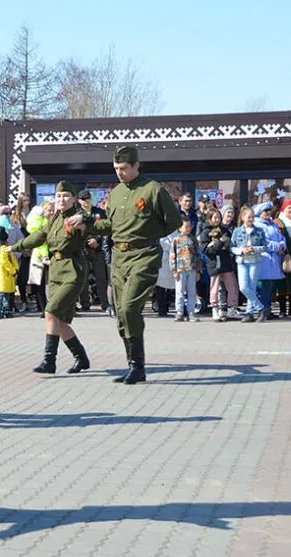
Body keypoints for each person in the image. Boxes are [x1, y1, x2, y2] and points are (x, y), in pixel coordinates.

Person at [66, 146, 182, 384]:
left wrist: (149, 233)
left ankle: (138, 365)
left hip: (144, 255)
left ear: (136, 165)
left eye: (124, 168)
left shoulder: (153, 190)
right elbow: (109, 226)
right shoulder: (116, 193)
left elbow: (174, 221)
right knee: (120, 312)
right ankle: (134, 366)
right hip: (119, 259)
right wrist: (85, 223)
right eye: (116, 168)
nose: (120, 173)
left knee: (129, 307)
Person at [9, 181, 92, 374]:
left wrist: (83, 220)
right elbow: (38, 236)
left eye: (65, 196)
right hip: (55, 271)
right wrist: (14, 247)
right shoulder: (54, 219)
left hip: (73, 270)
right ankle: (81, 357)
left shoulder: (78, 217)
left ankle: (49, 361)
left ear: (73, 199)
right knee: (59, 320)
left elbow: (90, 223)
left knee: (51, 312)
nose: (61, 199)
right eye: (58, 196)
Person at [230, 205, 268, 322]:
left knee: (251, 287)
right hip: (242, 262)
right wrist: (241, 251)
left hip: (255, 262)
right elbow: (232, 247)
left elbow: (265, 247)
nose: (251, 219)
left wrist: (254, 249)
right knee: (243, 287)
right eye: (249, 217)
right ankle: (262, 308)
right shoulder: (237, 231)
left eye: (252, 217)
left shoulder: (259, 231)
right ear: (242, 217)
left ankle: (249, 313)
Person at [76, 189, 111, 314]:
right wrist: (87, 241)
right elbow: (75, 232)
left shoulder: (100, 212)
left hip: (98, 249)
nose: (87, 201)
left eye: (88, 198)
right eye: (84, 199)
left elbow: (106, 229)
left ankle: (105, 303)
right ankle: (85, 303)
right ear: (79, 201)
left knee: (101, 277)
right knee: (83, 277)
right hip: (83, 249)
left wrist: (97, 241)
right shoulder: (77, 214)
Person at [200, 208, 238, 321]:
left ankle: (232, 309)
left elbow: (228, 245)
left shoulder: (225, 230)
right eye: (215, 217)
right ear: (210, 219)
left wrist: (221, 244)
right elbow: (207, 250)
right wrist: (220, 242)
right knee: (214, 287)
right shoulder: (206, 232)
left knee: (232, 286)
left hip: (226, 261)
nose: (217, 220)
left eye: (218, 217)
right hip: (214, 263)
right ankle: (215, 309)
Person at [170, 219, 202, 322]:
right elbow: (172, 256)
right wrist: (174, 270)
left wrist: (198, 270)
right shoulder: (176, 240)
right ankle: (179, 312)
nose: (188, 229)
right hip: (180, 269)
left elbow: (197, 255)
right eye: (185, 226)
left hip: (192, 269)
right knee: (179, 291)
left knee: (192, 291)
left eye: (189, 226)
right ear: (179, 228)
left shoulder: (193, 239)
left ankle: (191, 312)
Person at [0, 227, 18, 319]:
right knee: (3, 293)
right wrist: (13, 270)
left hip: (3, 274)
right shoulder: (3, 248)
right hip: (4, 274)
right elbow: (5, 261)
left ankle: (6, 310)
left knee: (5, 293)